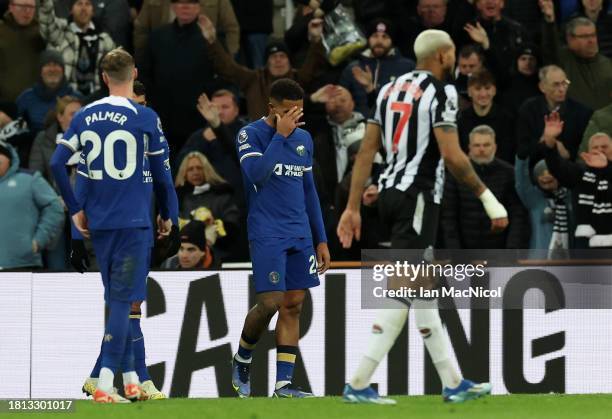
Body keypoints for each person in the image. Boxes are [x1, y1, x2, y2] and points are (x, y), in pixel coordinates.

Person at [336, 29, 508, 404]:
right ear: (444, 55)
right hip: (419, 196)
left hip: (390, 193)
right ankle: (359, 382)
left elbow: (365, 153)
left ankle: (452, 383)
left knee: (423, 290)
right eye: (451, 55)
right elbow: (452, 154)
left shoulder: (386, 90)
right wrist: (488, 198)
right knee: (403, 287)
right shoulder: (443, 92)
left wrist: (352, 207)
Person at [49, 48, 179, 403]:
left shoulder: (85, 116)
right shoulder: (145, 117)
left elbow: (59, 164)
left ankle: (134, 379)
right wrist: (170, 216)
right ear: (134, 73)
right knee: (124, 303)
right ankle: (105, 383)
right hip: (134, 222)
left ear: (103, 77)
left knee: (118, 300)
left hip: (100, 224)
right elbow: (165, 178)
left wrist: (75, 212)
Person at [231, 78, 330, 398]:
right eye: (287, 112)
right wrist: (280, 136)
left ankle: (284, 385)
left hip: (300, 233)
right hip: (267, 231)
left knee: (294, 305)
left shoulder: (304, 139)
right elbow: (257, 174)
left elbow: (308, 190)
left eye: (298, 113)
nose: (293, 119)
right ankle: (243, 356)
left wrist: (321, 238)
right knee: (271, 302)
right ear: (271, 108)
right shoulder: (250, 134)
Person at [198, 14, 326, 121]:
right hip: (259, 143)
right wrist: (211, 41)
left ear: (289, 60)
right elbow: (227, 67)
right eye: (273, 56)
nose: (278, 60)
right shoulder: (253, 79)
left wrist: (316, 39)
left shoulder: (299, 78)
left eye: (282, 56)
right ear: (267, 62)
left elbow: (315, 62)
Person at [442, 125, 528, 249]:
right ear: (469, 148)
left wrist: (511, 251)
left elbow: (518, 215)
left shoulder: (509, 173)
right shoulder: (456, 174)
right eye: (477, 145)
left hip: (501, 252)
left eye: (486, 145)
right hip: (464, 252)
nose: (481, 149)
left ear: (495, 147)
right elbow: (449, 217)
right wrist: (455, 254)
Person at [0, 140, 64, 270]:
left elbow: (54, 207)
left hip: (22, 264)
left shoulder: (29, 179)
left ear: (8, 158)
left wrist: (38, 241)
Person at [539, 0, 612, 110]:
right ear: (570, 39)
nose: (591, 41)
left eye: (593, 35)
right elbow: (550, 48)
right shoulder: (563, 60)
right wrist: (550, 22)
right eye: (584, 37)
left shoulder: (607, 64)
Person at [339, 18, 415, 116]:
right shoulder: (353, 68)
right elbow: (341, 100)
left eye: (385, 37)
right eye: (375, 36)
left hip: (394, 122)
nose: (379, 41)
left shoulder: (407, 67)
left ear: (392, 40)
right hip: (358, 125)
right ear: (368, 39)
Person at [38, 0, 116, 96]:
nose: (83, 8)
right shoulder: (61, 33)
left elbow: (116, 71)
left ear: (93, 11)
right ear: (71, 10)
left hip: (96, 100)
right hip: (65, 99)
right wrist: (46, 3)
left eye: (87, 4)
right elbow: (47, 23)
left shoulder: (105, 40)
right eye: (79, 4)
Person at [174, 151, 241, 262]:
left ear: (207, 170)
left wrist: (215, 225)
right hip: (183, 258)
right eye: (190, 169)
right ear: (184, 173)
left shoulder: (222, 196)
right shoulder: (178, 200)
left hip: (218, 257)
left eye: (199, 168)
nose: (195, 172)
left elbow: (233, 227)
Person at [133, 0, 240, 64]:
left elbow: (231, 28)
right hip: (162, 61)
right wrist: (143, 59)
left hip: (204, 61)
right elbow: (141, 30)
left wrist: (227, 61)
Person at [16, 51, 81, 135]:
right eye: (47, 65)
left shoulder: (77, 98)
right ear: (40, 70)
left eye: (56, 65)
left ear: (63, 70)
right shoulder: (25, 98)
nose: (52, 69)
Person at [458, 70, 516, 163]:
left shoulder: (507, 119)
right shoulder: (460, 120)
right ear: (469, 92)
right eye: (478, 89)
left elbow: (508, 153)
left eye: (487, 88)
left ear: (494, 91)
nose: (483, 94)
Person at [0, 0, 45, 102]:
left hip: (36, 104)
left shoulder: (42, 32)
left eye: (31, 7)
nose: (27, 11)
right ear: (11, 7)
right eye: (22, 6)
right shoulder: (1, 31)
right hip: (4, 105)